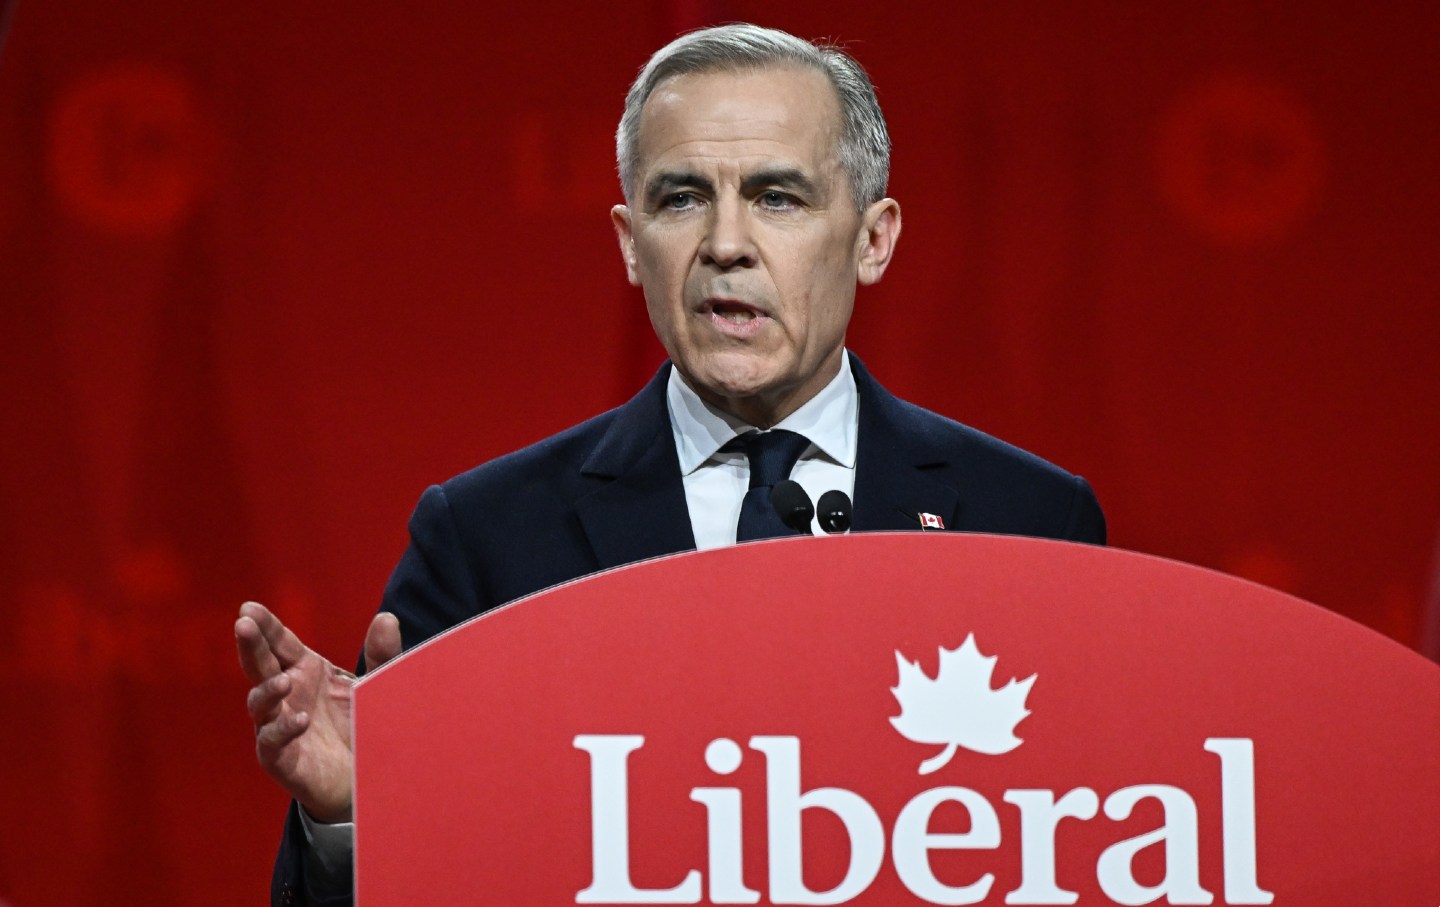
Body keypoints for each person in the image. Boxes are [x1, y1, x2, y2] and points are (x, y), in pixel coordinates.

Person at [235, 22, 1106, 906]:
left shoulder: (1030, 521)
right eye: (683, 198)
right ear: (628, 240)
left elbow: (1100, 850)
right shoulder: (488, 541)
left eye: (778, 197)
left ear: (873, 240)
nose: (725, 243)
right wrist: (355, 821)